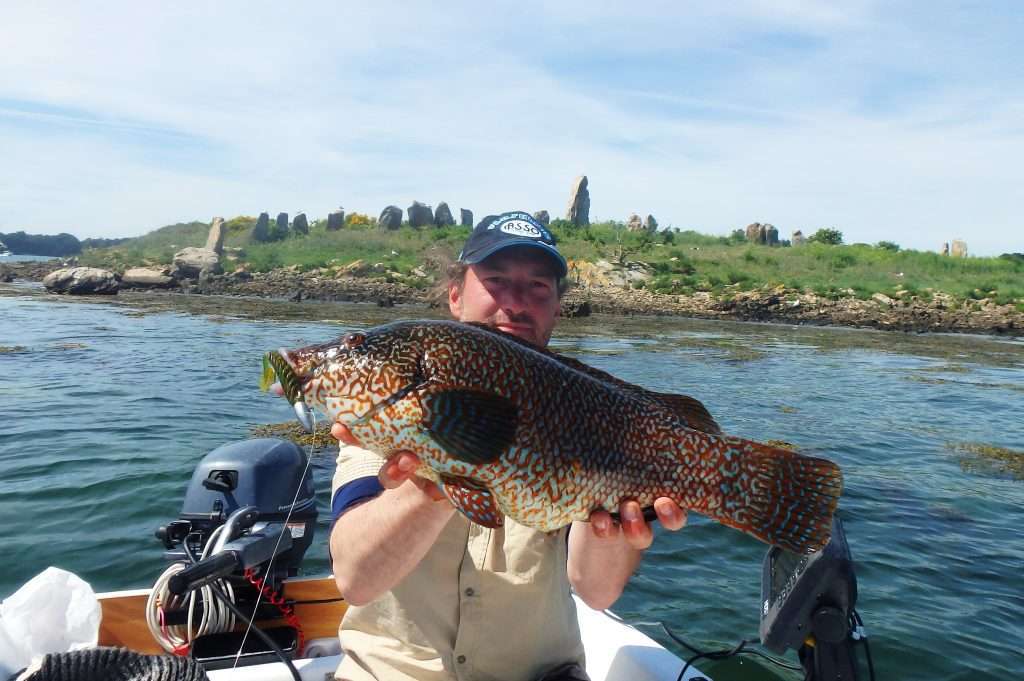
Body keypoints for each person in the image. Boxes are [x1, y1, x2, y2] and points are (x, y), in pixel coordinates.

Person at [327, 211, 688, 681]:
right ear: (455, 295)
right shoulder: (391, 404)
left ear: (557, 307)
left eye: (537, 286)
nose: (515, 302)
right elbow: (355, 580)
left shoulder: (583, 410)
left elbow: (596, 591)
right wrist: (441, 471)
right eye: (496, 281)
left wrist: (622, 526)